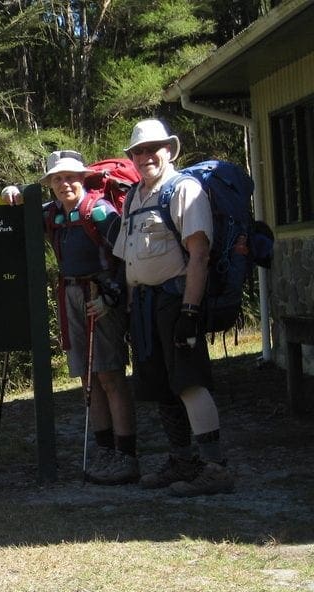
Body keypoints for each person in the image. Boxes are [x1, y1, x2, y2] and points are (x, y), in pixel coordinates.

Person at [2, 151, 138, 484]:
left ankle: (126, 457)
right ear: (49, 185)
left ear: (84, 178)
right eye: (58, 178)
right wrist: (12, 191)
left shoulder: (100, 211)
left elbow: (129, 255)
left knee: (110, 376)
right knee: (87, 378)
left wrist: (111, 297)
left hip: (99, 296)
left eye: (72, 177)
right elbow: (20, 203)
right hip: (71, 296)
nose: (66, 184)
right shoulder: (53, 214)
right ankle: (105, 451)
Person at [114, 119, 232, 496]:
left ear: (169, 150)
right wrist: (131, 312)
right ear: (131, 157)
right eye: (139, 151)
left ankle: (215, 468)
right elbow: (129, 261)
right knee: (162, 386)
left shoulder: (184, 190)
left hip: (176, 300)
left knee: (189, 382)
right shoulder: (134, 196)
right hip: (146, 307)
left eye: (153, 149)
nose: (146, 156)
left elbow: (199, 255)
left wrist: (190, 312)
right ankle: (182, 462)